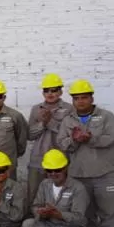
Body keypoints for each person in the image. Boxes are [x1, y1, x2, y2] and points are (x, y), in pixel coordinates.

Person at [57, 79, 114, 227]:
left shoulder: (106, 117)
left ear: (91, 97)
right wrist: (74, 140)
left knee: (109, 215)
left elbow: (110, 139)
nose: (80, 102)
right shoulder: (68, 120)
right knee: (87, 216)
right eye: (76, 98)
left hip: (106, 174)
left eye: (84, 97)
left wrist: (90, 138)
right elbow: (62, 143)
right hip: (79, 175)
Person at [23, 149, 91, 227]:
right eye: (49, 170)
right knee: (28, 224)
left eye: (57, 170)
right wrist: (40, 213)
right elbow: (35, 205)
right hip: (49, 226)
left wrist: (59, 215)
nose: (53, 173)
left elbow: (79, 217)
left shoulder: (78, 188)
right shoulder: (45, 184)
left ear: (65, 168)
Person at [26, 74, 71, 215]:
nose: (50, 94)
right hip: (38, 160)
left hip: (60, 160)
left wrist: (50, 122)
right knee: (34, 195)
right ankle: (34, 226)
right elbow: (30, 135)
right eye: (47, 90)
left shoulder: (69, 109)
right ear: (43, 92)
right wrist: (42, 124)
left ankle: (60, 226)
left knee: (60, 194)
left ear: (60, 92)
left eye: (54, 90)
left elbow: (68, 134)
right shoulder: (36, 109)